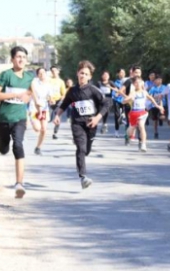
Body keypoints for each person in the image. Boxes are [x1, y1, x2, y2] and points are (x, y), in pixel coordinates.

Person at [53, 60, 111, 190]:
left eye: (86, 74)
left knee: (87, 150)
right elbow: (64, 105)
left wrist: (97, 118)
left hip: (91, 124)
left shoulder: (93, 90)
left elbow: (107, 104)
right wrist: (57, 115)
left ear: (90, 76)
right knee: (81, 148)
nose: (83, 75)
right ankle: (83, 177)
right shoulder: (72, 91)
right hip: (77, 123)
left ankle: (84, 159)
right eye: (81, 73)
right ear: (77, 74)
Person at [0, 46, 34, 198]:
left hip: (20, 118)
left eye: (24, 57)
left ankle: (19, 183)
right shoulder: (5, 75)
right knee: (3, 148)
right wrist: (13, 95)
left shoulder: (29, 77)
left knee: (18, 145)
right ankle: (3, 146)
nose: (21, 59)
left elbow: (30, 93)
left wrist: (27, 97)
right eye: (18, 57)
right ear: (12, 59)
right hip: (3, 119)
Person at [122, 77, 164, 151]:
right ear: (134, 84)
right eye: (136, 82)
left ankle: (143, 144)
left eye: (139, 82)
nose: (138, 84)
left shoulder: (144, 92)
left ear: (142, 83)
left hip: (142, 112)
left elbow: (150, 98)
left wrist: (157, 105)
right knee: (131, 129)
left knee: (141, 126)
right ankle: (127, 136)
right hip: (134, 113)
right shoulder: (133, 93)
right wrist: (128, 99)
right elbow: (124, 101)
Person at [29, 68, 53, 155]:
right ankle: (31, 120)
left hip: (44, 109)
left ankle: (38, 147)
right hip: (34, 108)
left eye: (43, 72)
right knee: (37, 128)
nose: (42, 74)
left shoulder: (49, 84)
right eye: (40, 73)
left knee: (43, 129)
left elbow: (50, 96)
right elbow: (32, 92)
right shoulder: (34, 82)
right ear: (37, 75)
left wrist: (51, 100)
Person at [48, 65, 67, 140]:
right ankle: (42, 130)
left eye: (55, 70)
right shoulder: (48, 80)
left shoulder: (61, 82)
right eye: (52, 71)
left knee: (58, 117)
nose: (54, 72)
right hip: (49, 101)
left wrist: (60, 100)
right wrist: (49, 99)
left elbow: (63, 93)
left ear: (58, 71)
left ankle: (55, 133)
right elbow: (45, 90)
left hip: (58, 101)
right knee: (47, 118)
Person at [148, 74, 167, 139]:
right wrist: (155, 97)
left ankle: (161, 117)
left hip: (162, 104)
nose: (159, 81)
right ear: (154, 81)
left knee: (162, 117)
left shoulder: (164, 87)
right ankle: (156, 132)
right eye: (157, 80)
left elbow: (168, 94)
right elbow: (149, 96)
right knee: (155, 120)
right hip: (154, 105)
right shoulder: (153, 88)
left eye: (160, 80)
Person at [112, 68, 127, 137]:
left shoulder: (128, 81)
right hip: (117, 100)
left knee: (125, 116)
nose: (122, 74)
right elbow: (114, 91)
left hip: (126, 100)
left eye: (123, 72)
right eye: (121, 72)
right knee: (117, 115)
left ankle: (127, 132)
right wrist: (114, 95)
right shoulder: (116, 82)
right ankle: (116, 131)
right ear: (118, 74)